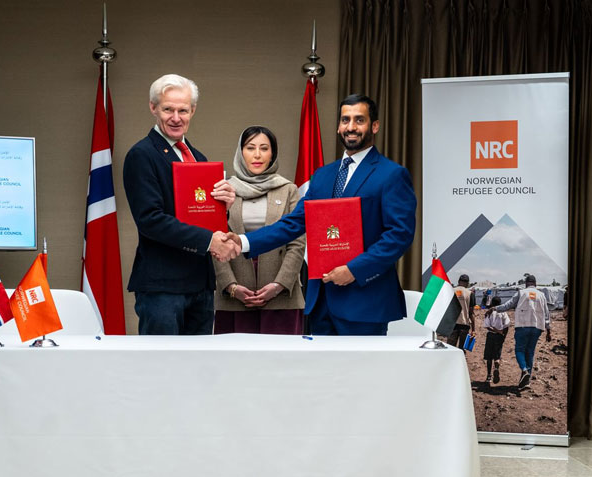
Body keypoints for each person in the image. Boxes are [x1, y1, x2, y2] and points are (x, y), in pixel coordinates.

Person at [225, 94, 416, 335]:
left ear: (374, 126)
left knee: (361, 363)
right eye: (345, 120)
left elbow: (399, 235)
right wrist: (243, 241)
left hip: (365, 302)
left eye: (359, 120)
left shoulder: (392, 174)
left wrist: (354, 270)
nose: (351, 127)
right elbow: (294, 222)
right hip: (320, 302)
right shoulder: (323, 175)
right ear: (338, 126)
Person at [122, 74, 237, 335]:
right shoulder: (141, 155)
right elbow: (150, 220)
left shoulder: (199, 158)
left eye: (183, 110)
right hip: (162, 287)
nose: (176, 118)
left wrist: (223, 209)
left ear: (192, 110)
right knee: (163, 361)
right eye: (168, 109)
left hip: (200, 283)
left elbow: (201, 217)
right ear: (153, 107)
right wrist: (209, 241)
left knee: (198, 361)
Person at [213, 126, 305, 334]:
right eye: (250, 147)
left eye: (264, 148)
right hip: (234, 298)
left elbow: (297, 243)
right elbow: (216, 241)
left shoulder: (288, 189)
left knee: (280, 355)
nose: (257, 155)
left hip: (281, 297)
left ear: (273, 154)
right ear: (240, 152)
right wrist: (231, 287)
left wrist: (279, 285)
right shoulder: (224, 190)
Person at [488, 274, 551, 389]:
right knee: (530, 352)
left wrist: (494, 308)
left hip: (523, 326)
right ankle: (526, 382)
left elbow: (508, 305)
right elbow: (546, 314)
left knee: (519, 350)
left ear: (526, 283)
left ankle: (524, 370)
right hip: (537, 328)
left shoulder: (521, 293)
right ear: (535, 284)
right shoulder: (541, 295)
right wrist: (548, 330)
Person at [482, 296, 510, 384]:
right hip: (499, 336)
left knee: (489, 357)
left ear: (492, 303)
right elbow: (507, 325)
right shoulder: (503, 313)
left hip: (490, 336)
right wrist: (503, 335)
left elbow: (487, 326)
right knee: (497, 355)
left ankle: (489, 376)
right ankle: (496, 366)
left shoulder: (489, 312)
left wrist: (494, 330)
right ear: (500, 303)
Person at [448, 274, 476, 350]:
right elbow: (471, 313)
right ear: (467, 283)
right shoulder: (470, 294)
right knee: (462, 349)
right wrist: (473, 329)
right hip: (464, 324)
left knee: (450, 347)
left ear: (458, 281)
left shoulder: (451, 291)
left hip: (452, 324)